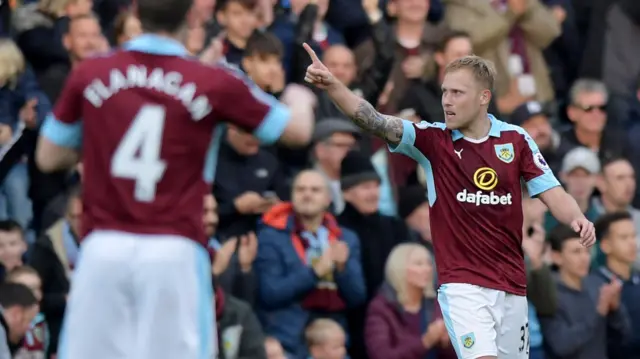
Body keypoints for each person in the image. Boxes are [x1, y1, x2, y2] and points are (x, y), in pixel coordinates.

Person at [33, 0, 313, 358]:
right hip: (173, 250)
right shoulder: (213, 80)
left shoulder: (91, 73)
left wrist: (97, 139)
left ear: (134, 13)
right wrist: (299, 96)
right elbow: (297, 131)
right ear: (194, 16)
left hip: (103, 247)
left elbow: (47, 156)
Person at [303, 45, 596, 359]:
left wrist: (577, 217)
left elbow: (552, 191)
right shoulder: (432, 140)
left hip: (512, 284)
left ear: (484, 97)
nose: (446, 100)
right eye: (444, 91)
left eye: (457, 92)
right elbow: (373, 120)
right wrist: (334, 86)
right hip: (463, 285)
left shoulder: (516, 140)